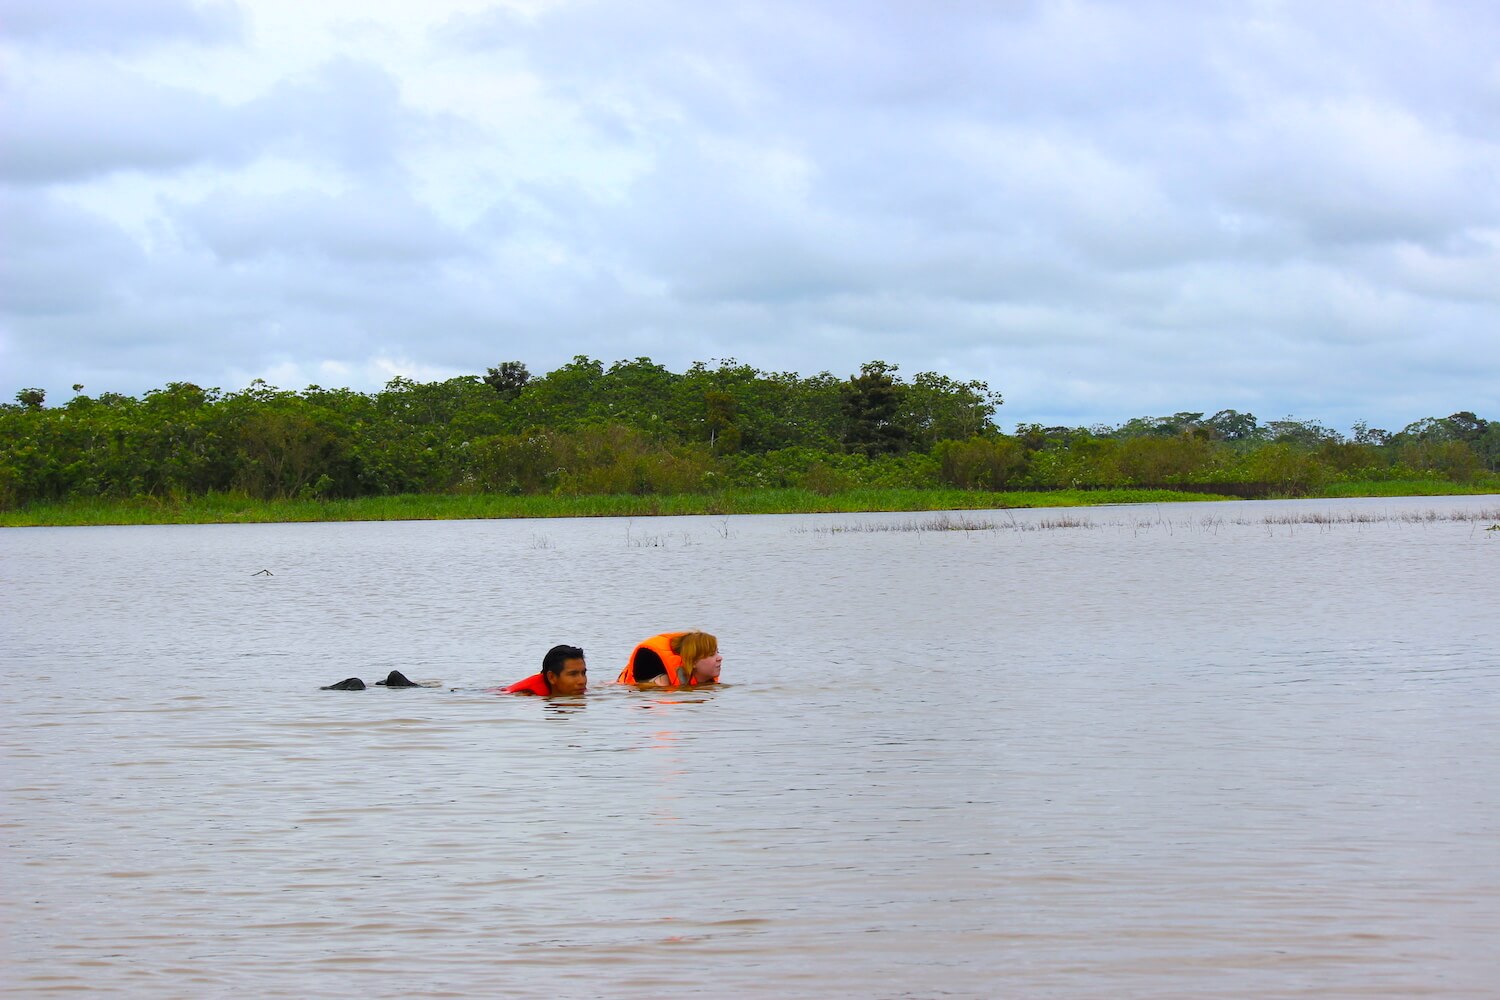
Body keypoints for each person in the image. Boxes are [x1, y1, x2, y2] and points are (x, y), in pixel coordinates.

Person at [616, 631, 722, 687]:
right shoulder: (661, 683)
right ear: (693, 662)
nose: (720, 658)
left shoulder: (706, 682)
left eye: (718, 652)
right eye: (712, 654)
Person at [502, 645, 588, 696]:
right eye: (573, 674)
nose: (582, 681)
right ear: (552, 677)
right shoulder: (527, 695)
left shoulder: (576, 688)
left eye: (583, 673)